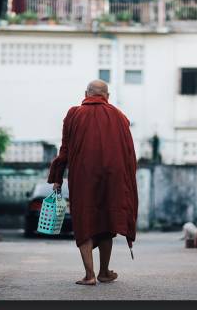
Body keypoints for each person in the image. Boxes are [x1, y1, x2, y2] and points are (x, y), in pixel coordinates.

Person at [48, 80, 138, 286]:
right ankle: (104, 271)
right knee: (107, 220)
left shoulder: (74, 114)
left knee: (85, 220)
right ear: (107, 96)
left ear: (86, 93)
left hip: (83, 177)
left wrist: (57, 178)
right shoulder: (119, 116)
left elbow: (65, 150)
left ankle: (89, 275)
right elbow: (129, 154)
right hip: (113, 178)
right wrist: (127, 181)